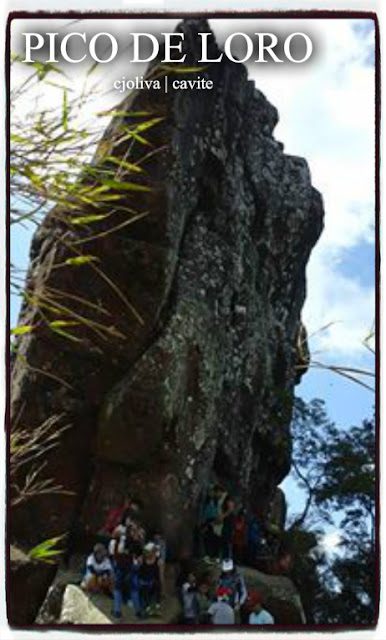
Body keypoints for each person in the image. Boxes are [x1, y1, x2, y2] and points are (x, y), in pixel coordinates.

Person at [138, 542, 161, 616]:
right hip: (144, 580)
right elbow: (140, 572)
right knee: (145, 589)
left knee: (157, 587)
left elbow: (158, 574)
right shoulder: (142, 560)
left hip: (154, 580)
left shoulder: (157, 560)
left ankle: (156, 608)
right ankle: (148, 608)